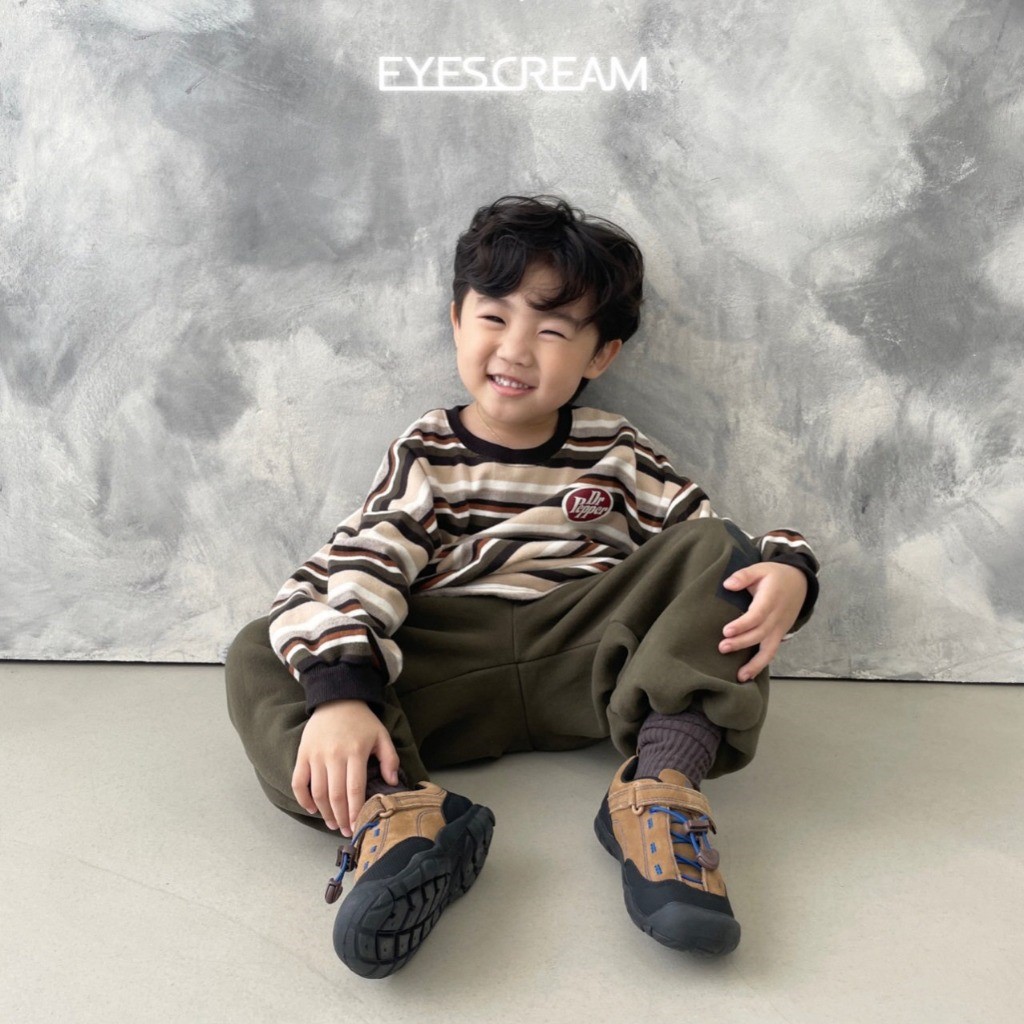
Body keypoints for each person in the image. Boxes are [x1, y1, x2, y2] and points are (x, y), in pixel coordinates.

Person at [225, 195, 820, 979]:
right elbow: (369, 561)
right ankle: (399, 820)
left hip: (585, 658)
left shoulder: (617, 451)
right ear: (456, 321)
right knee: (260, 652)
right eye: (493, 317)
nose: (515, 349)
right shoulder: (426, 450)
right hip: (449, 662)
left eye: (551, 331)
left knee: (719, 555)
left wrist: (788, 568)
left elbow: (709, 541)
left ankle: (660, 790)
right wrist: (341, 694)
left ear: (599, 356)